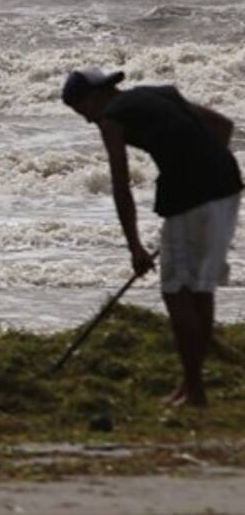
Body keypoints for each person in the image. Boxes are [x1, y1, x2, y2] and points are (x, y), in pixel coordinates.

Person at [62, 68, 241, 407]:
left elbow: (120, 185)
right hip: (227, 186)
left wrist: (134, 246)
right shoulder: (161, 93)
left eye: (81, 110)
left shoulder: (111, 118)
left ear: (95, 97)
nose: (87, 120)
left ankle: (195, 391)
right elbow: (223, 126)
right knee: (200, 288)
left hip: (190, 195)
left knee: (175, 292)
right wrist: (202, 169)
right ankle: (192, 386)